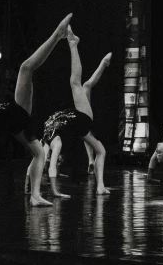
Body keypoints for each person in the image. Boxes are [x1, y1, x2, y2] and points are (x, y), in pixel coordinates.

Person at [0, 14, 73, 209]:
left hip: (8, 119)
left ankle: (35, 196)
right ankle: (57, 35)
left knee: (39, 152)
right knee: (26, 68)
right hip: (10, 118)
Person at [37, 26, 111, 198]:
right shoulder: (49, 145)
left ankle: (100, 186)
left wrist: (44, 190)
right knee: (79, 85)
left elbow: (49, 166)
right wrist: (49, 190)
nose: (60, 160)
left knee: (79, 85)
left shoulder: (50, 145)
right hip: (79, 121)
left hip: (80, 123)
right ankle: (75, 46)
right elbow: (47, 164)